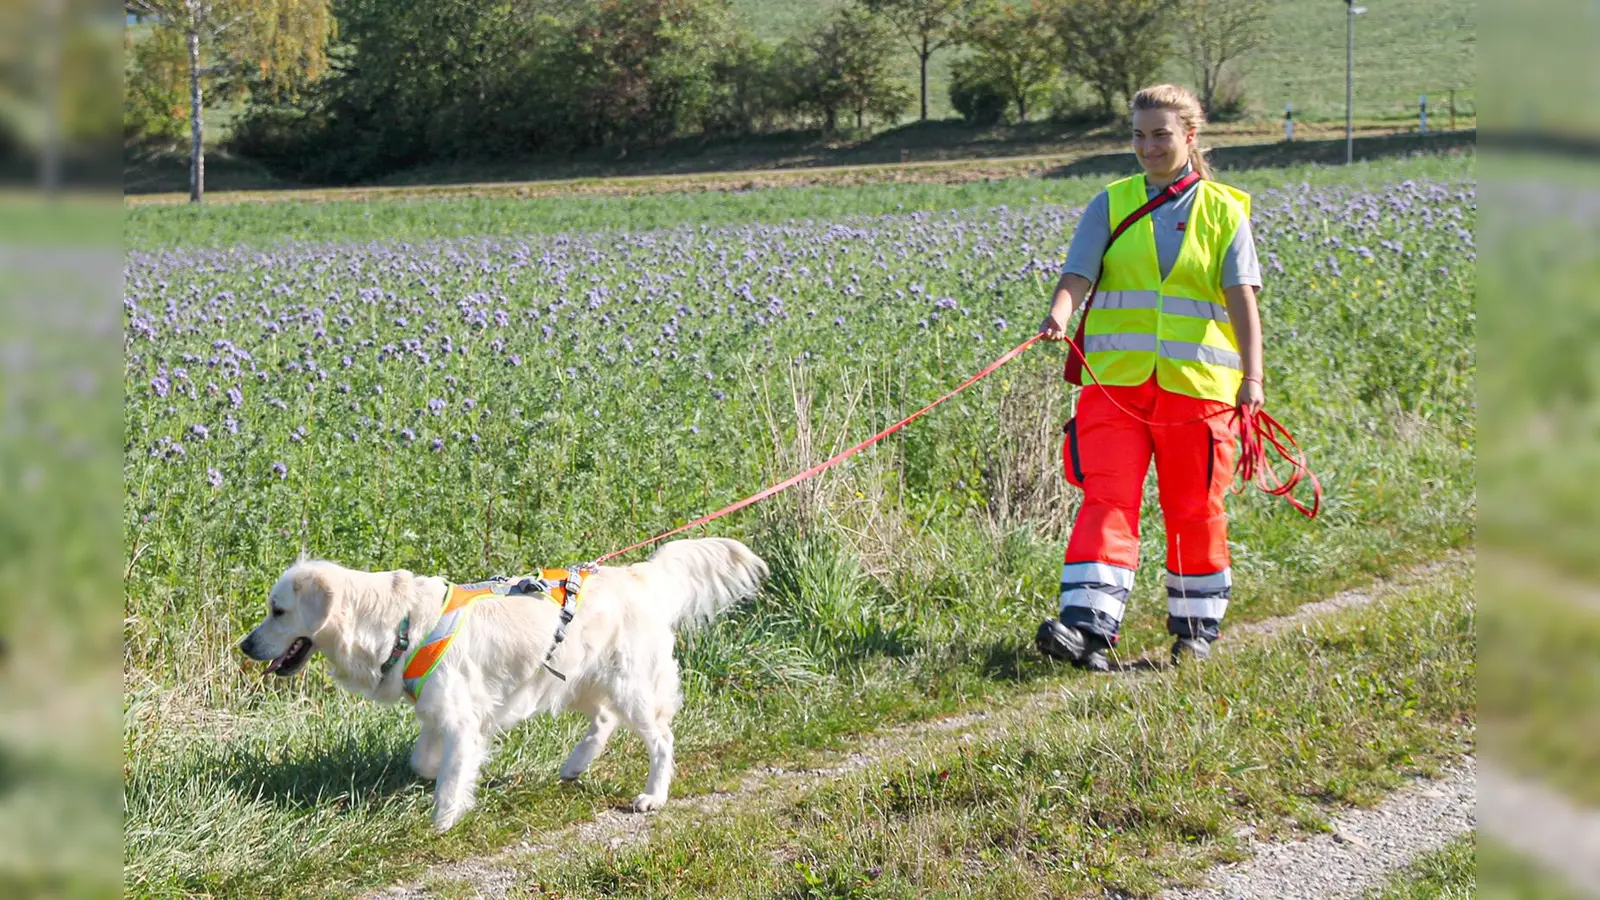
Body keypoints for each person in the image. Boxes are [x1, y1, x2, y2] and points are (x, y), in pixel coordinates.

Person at [1035, 83, 1265, 671]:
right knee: (1107, 500)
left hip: (1199, 390)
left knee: (1194, 508)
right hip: (1114, 384)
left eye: (1161, 134)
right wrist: (1058, 315)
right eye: (1139, 135)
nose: (1148, 146)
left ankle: (1195, 631)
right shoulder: (1109, 203)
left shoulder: (1224, 211)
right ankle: (1088, 628)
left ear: (1190, 136)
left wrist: (1252, 380)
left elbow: (1243, 302)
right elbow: (1077, 274)